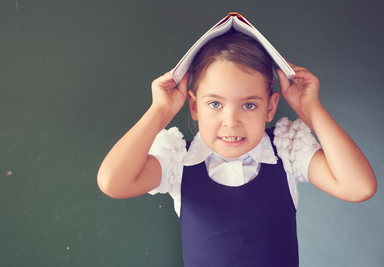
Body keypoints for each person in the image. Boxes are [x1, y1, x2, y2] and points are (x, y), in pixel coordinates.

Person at [97, 30, 377, 266]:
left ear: (270, 107)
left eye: (249, 105)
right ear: (194, 105)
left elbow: (359, 187)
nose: (231, 122)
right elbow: (113, 183)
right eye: (215, 104)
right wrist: (159, 110)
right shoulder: (178, 161)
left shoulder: (287, 151)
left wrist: (311, 109)